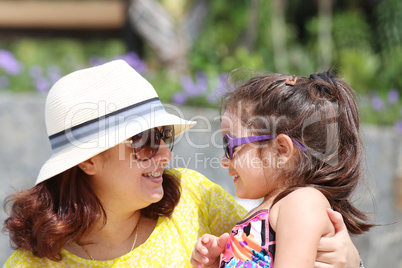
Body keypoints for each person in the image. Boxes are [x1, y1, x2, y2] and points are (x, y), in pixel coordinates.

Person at [2, 60, 361, 267]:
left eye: (164, 135)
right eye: (144, 140)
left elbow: (269, 252)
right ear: (89, 160)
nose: (165, 154)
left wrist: (350, 261)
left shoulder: (193, 197)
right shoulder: (30, 264)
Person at [191, 70, 371, 268]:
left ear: (281, 150)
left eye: (229, 145)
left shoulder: (301, 202)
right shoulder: (280, 208)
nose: (225, 161)